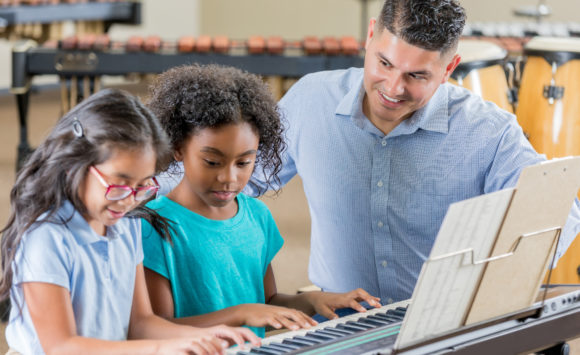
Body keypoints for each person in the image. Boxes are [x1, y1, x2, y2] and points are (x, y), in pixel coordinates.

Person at [244, 0, 580, 304]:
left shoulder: (489, 131)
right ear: (371, 34)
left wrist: (505, 266)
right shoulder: (310, 100)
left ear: (449, 69)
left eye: (416, 75)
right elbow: (231, 181)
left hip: (442, 322)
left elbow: (559, 210)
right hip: (338, 318)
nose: (393, 88)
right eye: (384, 63)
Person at [0, 89, 259, 355]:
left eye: (142, 186)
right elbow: (61, 346)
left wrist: (203, 335)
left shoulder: (127, 223)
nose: (129, 200)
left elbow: (140, 323)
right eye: (120, 183)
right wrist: (162, 348)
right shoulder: (45, 238)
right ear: (74, 164)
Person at [142, 64, 382, 338]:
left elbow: (268, 306)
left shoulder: (257, 215)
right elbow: (155, 330)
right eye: (212, 161)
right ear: (177, 149)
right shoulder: (153, 225)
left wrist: (313, 302)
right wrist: (241, 314)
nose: (229, 177)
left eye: (244, 162)